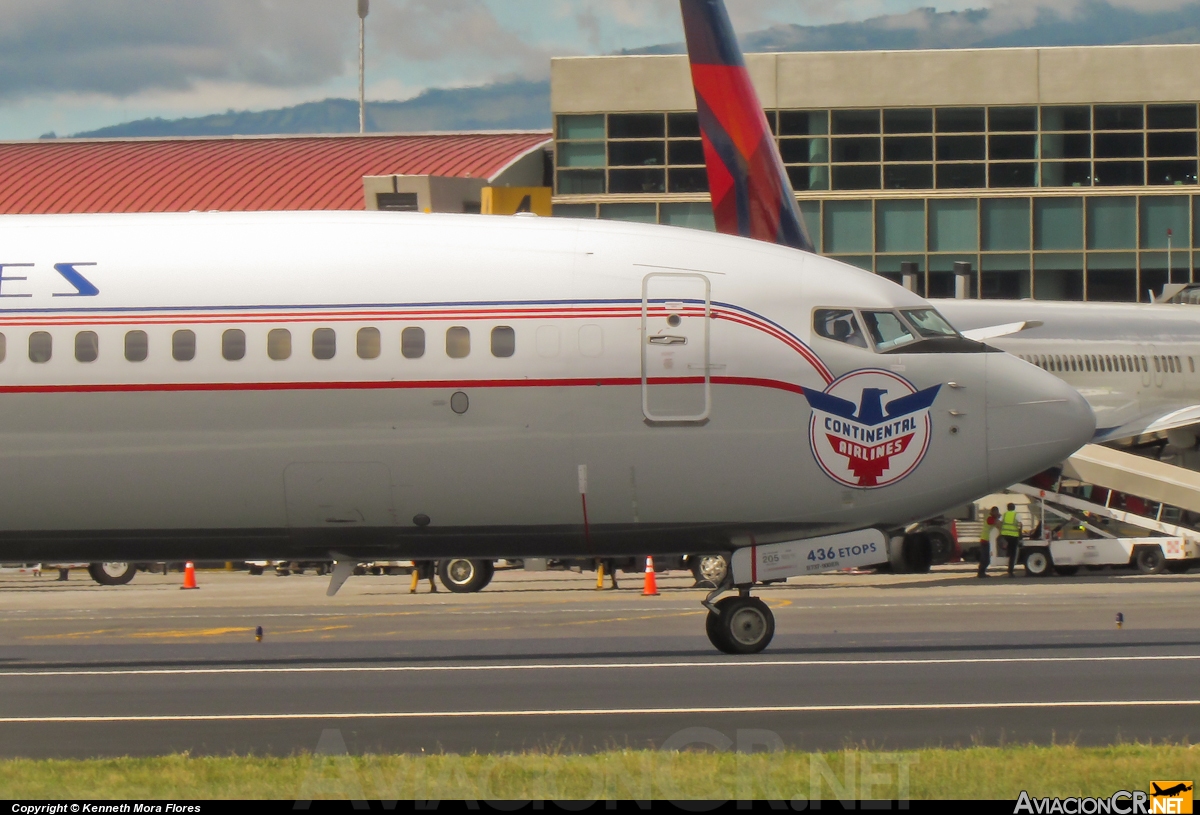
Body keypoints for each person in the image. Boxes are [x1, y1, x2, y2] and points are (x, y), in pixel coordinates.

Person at [1000, 502, 1024, 577]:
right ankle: (1010, 570)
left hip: (1005, 536)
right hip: (1013, 536)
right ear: (1014, 508)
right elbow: (1020, 525)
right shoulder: (1017, 515)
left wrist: (1001, 533)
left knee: (1009, 551)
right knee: (1013, 554)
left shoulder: (1004, 514)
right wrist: (1021, 535)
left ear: (1007, 508)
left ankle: (1007, 553)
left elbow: (999, 523)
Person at [978, 506, 999, 578]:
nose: (997, 513)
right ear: (992, 512)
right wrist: (998, 518)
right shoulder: (989, 518)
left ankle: (982, 572)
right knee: (985, 558)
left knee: (986, 558)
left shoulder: (991, 517)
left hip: (987, 540)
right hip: (985, 540)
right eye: (996, 512)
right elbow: (995, 523)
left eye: (997, 512)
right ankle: (981, 572)